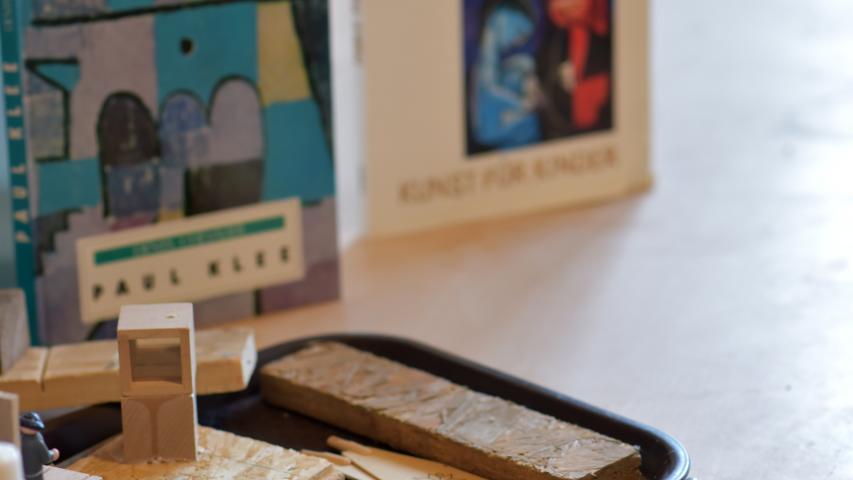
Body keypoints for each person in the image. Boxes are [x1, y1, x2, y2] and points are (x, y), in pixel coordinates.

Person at [19, 413, 58, 480]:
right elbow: (46, 458)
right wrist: (54, 454)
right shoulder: (37, 442)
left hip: (22, 473)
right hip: (35, 474)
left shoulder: (19, 438)